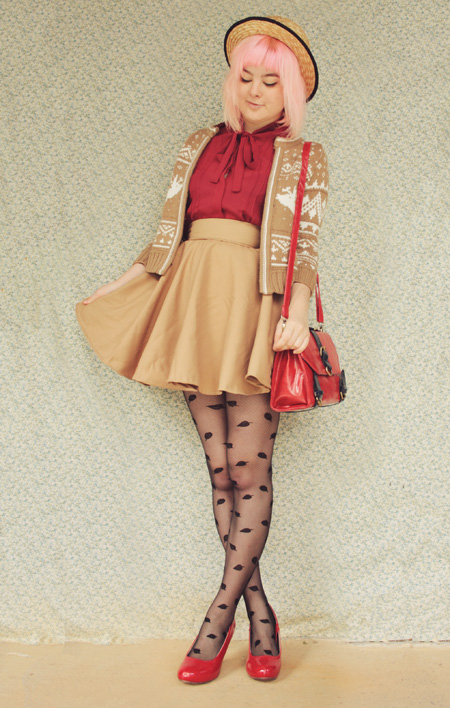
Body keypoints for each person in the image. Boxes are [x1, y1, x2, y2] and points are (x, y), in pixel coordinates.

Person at [75, 15, 329, 684]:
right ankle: (262, 617)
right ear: (231, 80)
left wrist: (298, 312)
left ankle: (216, 622)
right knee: (220, 474)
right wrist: (119, 285)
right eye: (246, 77)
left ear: (290, 91)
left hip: (254, 306)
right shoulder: (197, 144)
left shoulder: (302, 157)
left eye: (270, 81)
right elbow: (168, 233)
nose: (255, 90)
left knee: (249, 470)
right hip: (191, 303)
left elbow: (304, 243)